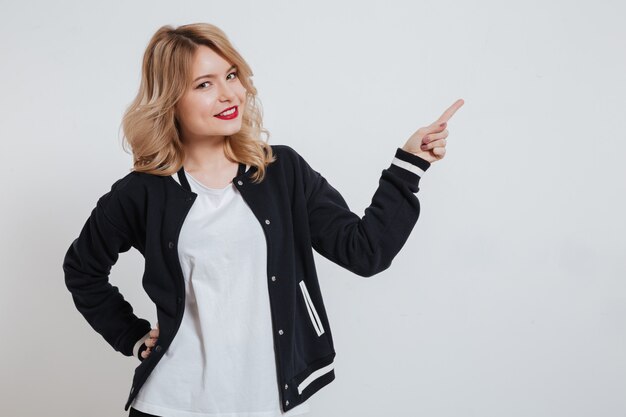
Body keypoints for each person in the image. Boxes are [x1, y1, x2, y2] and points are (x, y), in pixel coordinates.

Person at [62, 22, 464, 417]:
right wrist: (131, 336)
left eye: (231, 75)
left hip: (267, 400)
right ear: (170, 101)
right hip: (172, 402)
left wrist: (410, 165)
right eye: (205, 84)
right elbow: (83, 269)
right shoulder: (143, 192)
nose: (228, 94)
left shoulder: (281, 172)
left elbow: (365, 252)